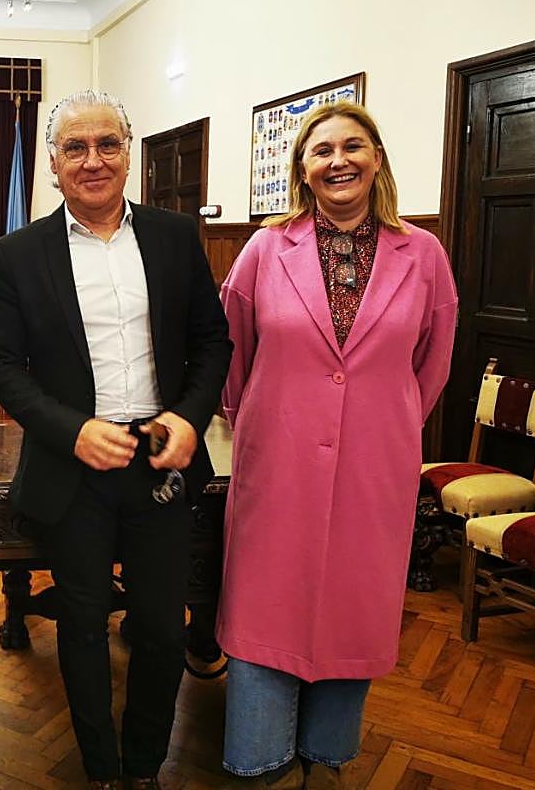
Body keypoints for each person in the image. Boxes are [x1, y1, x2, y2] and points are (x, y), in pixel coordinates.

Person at [0, 90, 232, 790]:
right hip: (74, 467)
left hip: (162, 457)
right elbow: (3, 365)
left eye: (107, 145)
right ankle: (99, 771)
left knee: (159, 629)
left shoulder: (175, 236)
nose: (92, 160)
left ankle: (145, 766)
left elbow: (213, 342)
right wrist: (72, 431)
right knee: (83, 626)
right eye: (75, 148)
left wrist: (187, 416)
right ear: (53, 164)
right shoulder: (18, 253)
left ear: (129, 155)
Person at [217, 101, 458, 789]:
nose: (338, 160)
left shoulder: (424, 255)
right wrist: (262, 426)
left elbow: (431, 366)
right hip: (279, 460)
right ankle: (260, 763)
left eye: (353, 146)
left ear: (377, 157)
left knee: (354, 610)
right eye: (321, 150)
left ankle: (326, 761)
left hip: (373, 467)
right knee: (265, 607)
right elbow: (233, 354)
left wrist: (383, 426)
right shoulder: (266, 249)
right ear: (303, 168)